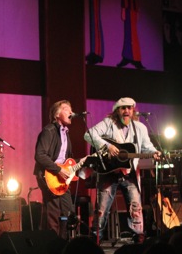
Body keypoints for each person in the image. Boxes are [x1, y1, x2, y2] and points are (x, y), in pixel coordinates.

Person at [84, 97, 161, 244]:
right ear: (117, 111)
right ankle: (95, 241)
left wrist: (155, 152)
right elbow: (88, 134)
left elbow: (147, 147)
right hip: (108, 171)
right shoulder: (108, 123)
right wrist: (106, 146)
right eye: (123, 108)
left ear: (133, 110)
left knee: (135, 207)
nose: (126, 111)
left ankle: (138, 239)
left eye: (129, 108)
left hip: (129, 172)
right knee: (101, 209)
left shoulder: (140, 128)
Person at [33, 100, 77, 239]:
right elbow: (39, 155)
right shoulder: (49, 130)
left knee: (67, 212)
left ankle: (62, 242)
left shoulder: (65, 133)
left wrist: (79, 165)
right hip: (48, 175)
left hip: (61, 178)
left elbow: (66, 159)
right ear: (57, 115)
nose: (71, 112)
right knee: (53, 213)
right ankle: (52, 246)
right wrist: (58, 169)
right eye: (66, 109)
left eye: (71, 109)